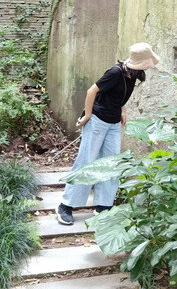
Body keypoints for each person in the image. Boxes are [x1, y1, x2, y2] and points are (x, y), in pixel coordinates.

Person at [56, 42, 159, 225]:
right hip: (97, 120)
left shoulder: (131, 75)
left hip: (113, 123)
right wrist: (87, 115)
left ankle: (103, 206)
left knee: (111, 164)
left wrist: (123, 111)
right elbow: (91, 91)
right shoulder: (115, 72)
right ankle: (66, 205)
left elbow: (119, 95)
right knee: (87, 161)